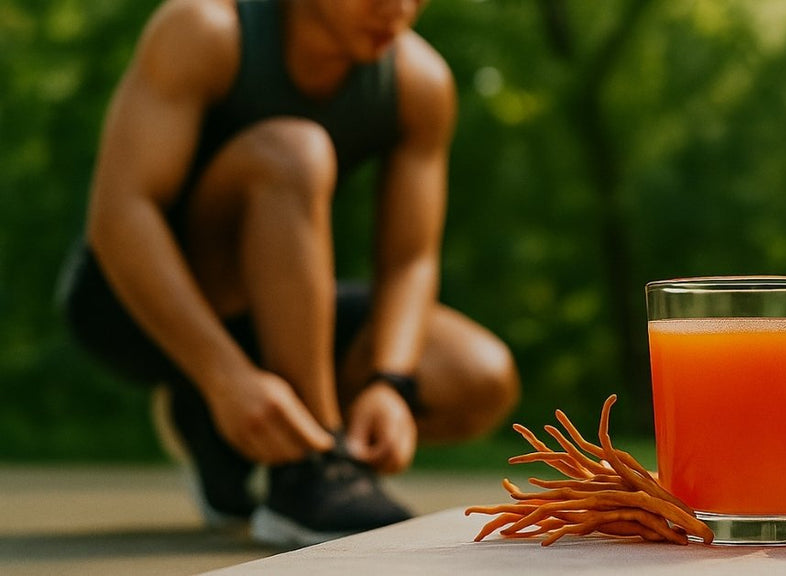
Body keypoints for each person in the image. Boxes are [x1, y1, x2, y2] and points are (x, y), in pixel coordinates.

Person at [56, 0, 519, 547]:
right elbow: (119, 216)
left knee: (478, 376)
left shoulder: (419, 82)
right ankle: (310, 469)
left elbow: (409, 259)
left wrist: (389, 382)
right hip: (131, 308)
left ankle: (218, 432)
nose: (398, 9)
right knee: (294, 151)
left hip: (280, 307)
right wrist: (220, 374)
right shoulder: (205, 31)